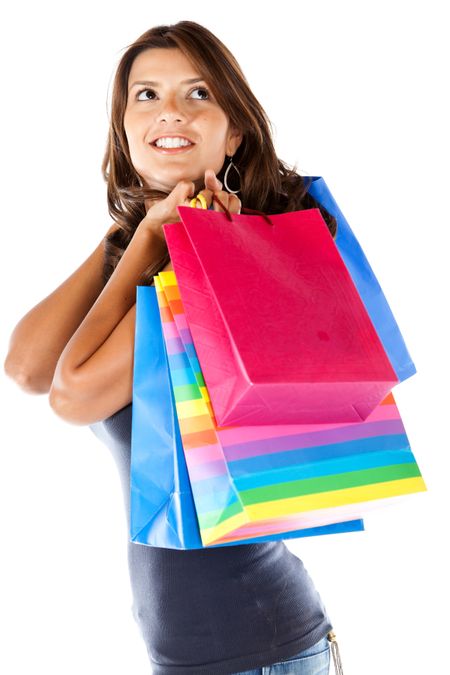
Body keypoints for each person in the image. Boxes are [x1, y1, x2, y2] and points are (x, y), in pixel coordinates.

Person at [4, 20, 344, 675]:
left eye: (197, 94)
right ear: (123, 128)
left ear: (234, 129)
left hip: (255, 648)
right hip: (201, 652)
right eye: (146, 96)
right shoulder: (149, 244)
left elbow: (72, 396)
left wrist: (165, 249)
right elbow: (26, 366)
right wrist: (137, 238)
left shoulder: (243, 252)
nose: (170, 113)